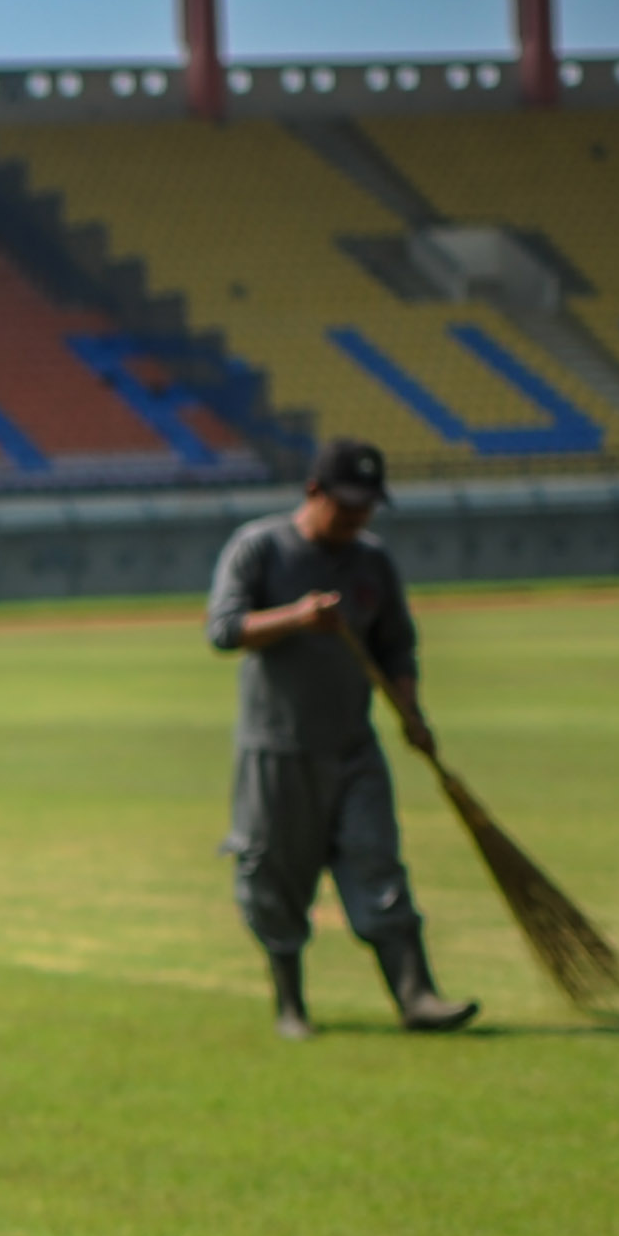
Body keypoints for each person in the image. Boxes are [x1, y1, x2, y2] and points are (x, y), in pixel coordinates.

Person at [205, 437, 476, 1041]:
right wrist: (296, 618)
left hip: (353, 747)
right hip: (276, 751)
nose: (357, 519)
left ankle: (417, 996)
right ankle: (290, 1006)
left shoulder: (372, 561)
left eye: (367, 508)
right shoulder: (260, 547)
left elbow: (396, 644)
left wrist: (409, 708)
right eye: (346, 506)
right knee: (275, 877)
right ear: (313, 492)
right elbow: (223, 630)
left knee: (378, 864)